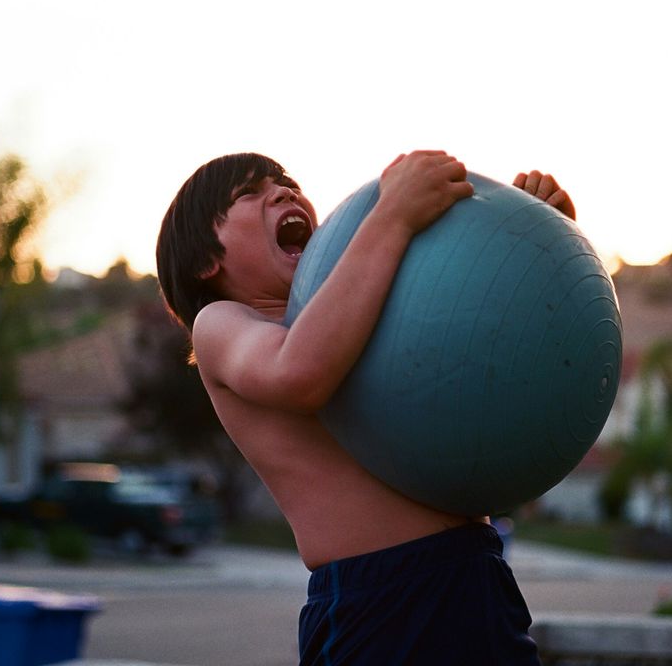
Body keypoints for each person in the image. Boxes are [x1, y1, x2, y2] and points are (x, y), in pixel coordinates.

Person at [155, 150, 574, 665]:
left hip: (475, 576)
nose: (283, 192)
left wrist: (528, 245)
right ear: (205, 260)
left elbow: (483, 351)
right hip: (379, 601)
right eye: (249, 193)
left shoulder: (366, 313)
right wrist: (393, 216)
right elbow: (300, 371)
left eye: (285, 181)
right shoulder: (223, 323)